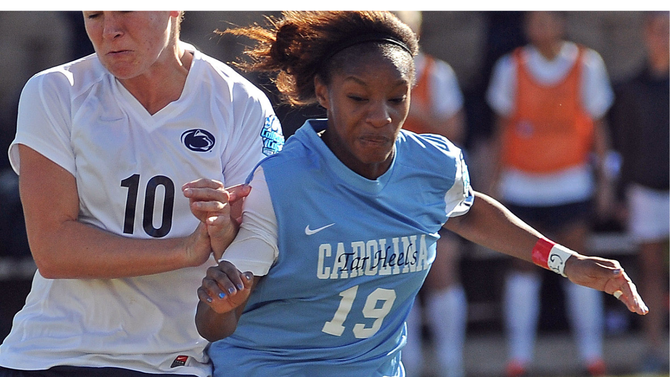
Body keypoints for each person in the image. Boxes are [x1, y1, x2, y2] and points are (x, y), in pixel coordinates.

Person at [190, 11, 648, 377]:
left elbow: (467, 211)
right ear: (324, 93)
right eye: (358, 98)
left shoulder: (434, 164)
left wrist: (568, 262)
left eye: (396, 98)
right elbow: (215, 322)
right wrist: (219, 307)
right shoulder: (281, 182)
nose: (380, 116)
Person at [0, 11, 283, 377]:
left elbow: (259, 241)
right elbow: (52, 249)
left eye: (126, 10)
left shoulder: (242, 102)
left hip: (177, 364)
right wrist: (185, 250)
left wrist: (225, 231)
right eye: (94, 15)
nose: (110, 30)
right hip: (51, 356)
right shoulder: (54, 89)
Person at [485, 11, 616, 377]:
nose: (538, 28)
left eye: (546, 20)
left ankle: (592, 357)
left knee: (580, 265)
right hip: (522, 183)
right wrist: (491, 184)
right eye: (533, 21)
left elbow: (599, 127)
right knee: (522, 264)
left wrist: (605, 181)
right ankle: (519, 359)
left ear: (561, 23)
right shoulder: (511, 67)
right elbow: (501, 130)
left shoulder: (586, 64)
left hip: (570, 182)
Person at [393, 10, 468, 377]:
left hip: (430, 192)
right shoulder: (365, 70)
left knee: (442, 273)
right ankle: (408, 367)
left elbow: (454, 129)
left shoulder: (437, 73)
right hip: (386, 192)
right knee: (396, 279)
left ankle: (451, 366)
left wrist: (415, 108)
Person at [609, 11, 669, 374]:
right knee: (649, 272)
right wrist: (619, 195)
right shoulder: (630, 87)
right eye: (659, 30)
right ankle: (654, 349)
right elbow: (623, 145)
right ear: (647, 34)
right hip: (644, 191)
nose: (664, 37)